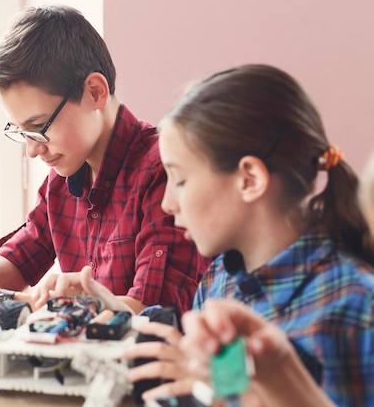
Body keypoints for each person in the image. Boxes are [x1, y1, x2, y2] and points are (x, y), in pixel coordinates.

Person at [55, 64, 374, 406]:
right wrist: (123, 321)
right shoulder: (219, 281)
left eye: (179, 180)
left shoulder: (356, 308)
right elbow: (224, 393)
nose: (167, 203)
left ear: (249, 179)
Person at [0, 5, 207, 322]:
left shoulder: (163, 170)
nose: (32, 150)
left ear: (95, 92)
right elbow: (18, 265)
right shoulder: (63, 177)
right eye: (21, 132)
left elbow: (153, 315)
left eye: (39, 128)